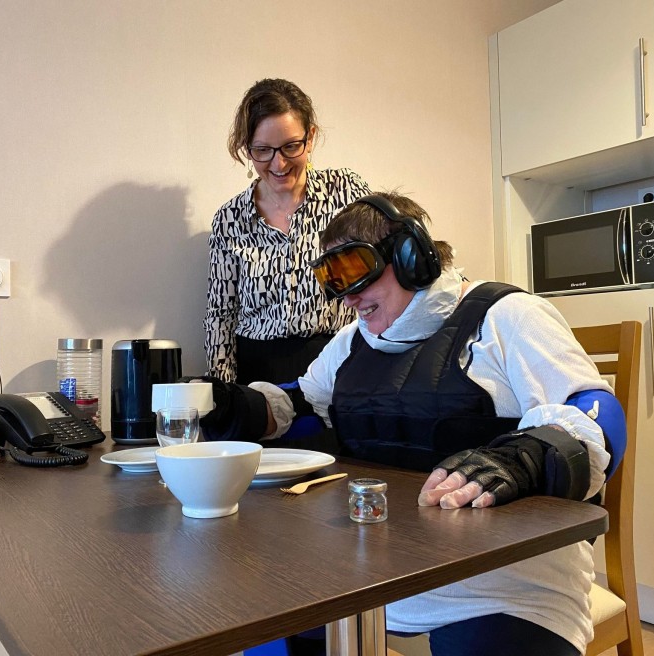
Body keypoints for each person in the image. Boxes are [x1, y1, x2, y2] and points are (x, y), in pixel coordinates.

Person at [198, 192, 627, 656]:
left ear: (411, 256)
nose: (348, 296)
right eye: (333, 279)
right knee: (258, 631)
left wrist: (523, 457)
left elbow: (596, 415)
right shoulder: (351, 342)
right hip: (359, 576)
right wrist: (230, 407)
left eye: (355, 270)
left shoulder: (508, 316)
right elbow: (299, 408)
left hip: (502, 586)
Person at [204, 78, 371, 386]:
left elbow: (379, 274)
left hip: (338, 367)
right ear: (247, 149)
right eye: (262, 150)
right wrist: (225, 394)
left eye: (291, 146)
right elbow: (220, 315)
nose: (278, 163)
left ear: (311, 137)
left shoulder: (345, 193)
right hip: (258, 377)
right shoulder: (230, 219)